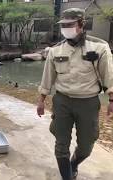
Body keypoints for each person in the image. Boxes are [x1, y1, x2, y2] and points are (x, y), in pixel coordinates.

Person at [37, 8, 113, 180]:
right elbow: (47, 78)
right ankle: (67, 177)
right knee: (60, 145)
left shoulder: (100, 47)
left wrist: (111, 99)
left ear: (81, 24)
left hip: (88, 102)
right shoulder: (55, 51)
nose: (65, 28)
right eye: (63, 25)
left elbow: (109, 75)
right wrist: (41, 100)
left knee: (87, 146)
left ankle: (74, 164)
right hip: (62, 101)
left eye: (69, 24)